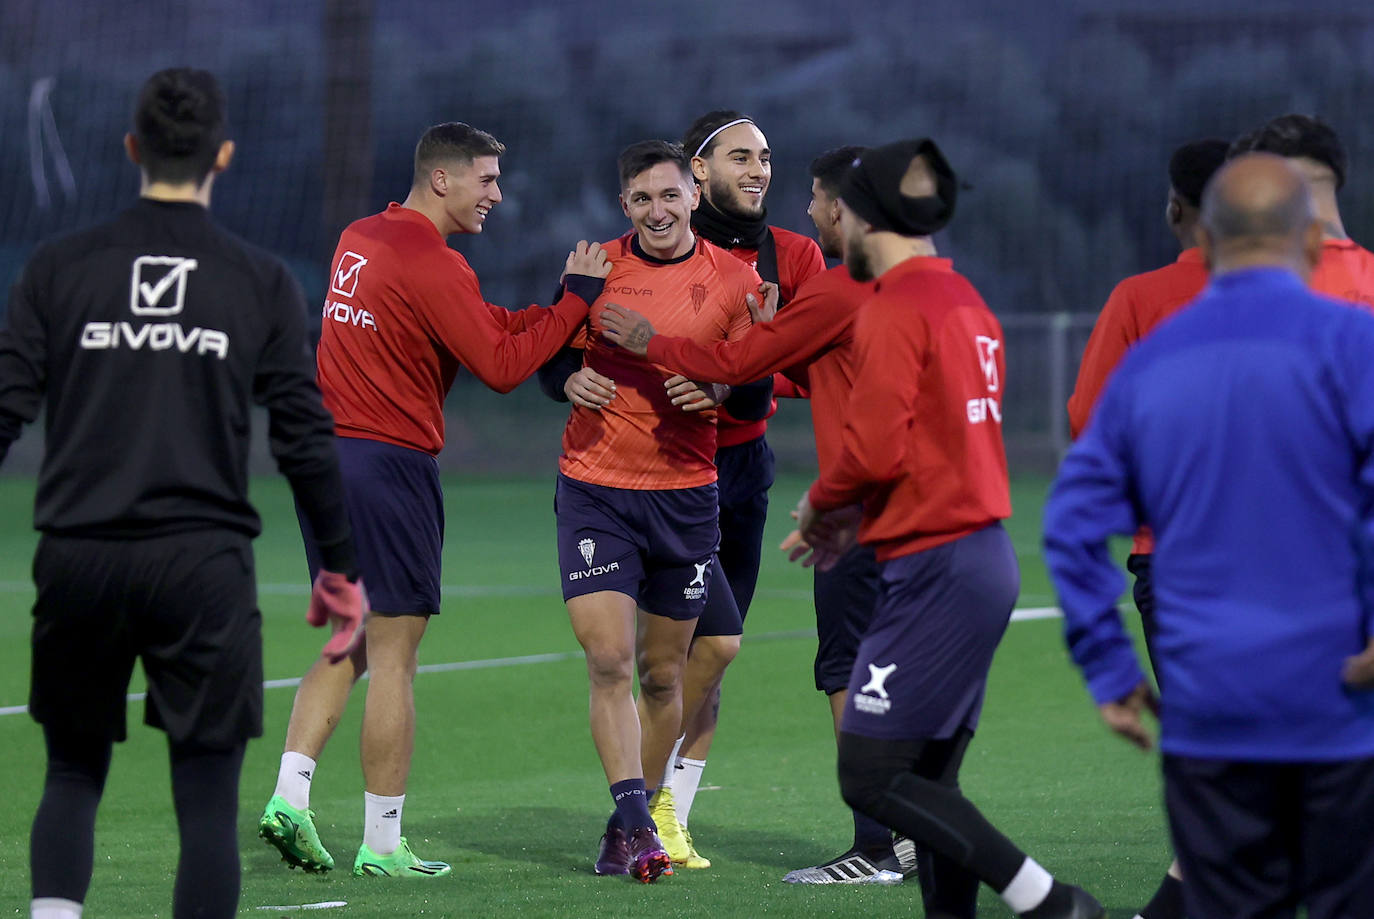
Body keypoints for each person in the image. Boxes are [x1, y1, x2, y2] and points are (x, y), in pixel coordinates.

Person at [0, 68, 366, 919]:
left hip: (79, 558)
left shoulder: (58, 268)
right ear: (224, 156)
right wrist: (339, 566)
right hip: (202, 567)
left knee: (72, 770)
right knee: (204, 798)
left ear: (132, 148)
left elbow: (4, 407)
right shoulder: (259, 278)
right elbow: (303, 435)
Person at [257, 122, 610, 879]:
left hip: (327, 460)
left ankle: (290, 797)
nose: (496, 194)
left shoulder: (363, 236)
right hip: (389, 464)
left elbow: (478, 329)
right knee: (395, 657)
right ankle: (383, 843)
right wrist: (579, 302)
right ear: (442, 179)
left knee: (345, 637)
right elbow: (505, 364)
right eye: (485, 179)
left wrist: (556, 309)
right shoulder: (435, 263)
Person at [1044, 152, 1374, 919]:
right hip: (1339, 690)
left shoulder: (1155, 359)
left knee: (1226, 896)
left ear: (1207, 240)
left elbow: (1071, 520)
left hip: (1213, 690)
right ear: (1317, 243)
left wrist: (1109, 665)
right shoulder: (1356, 345)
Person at [793, 138, 1104, 919]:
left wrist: (821, 504)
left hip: (937, 567)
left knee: (869, 776)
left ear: (862, 214)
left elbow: (871, 447)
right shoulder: (966, 300)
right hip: (976, 556)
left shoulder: (897, 306)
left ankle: (1050, 901)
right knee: (930, 780)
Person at [603, 144, 919, 884]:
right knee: (902, 670)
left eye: (814, 195)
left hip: (857, 512)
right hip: (939, 518)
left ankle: (877, 841)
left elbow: (747, 364)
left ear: (842, 209)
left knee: (844, 665)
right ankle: (914, 831)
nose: (806, 209)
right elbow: (803, 370)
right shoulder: (934, 290)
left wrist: (657, 344)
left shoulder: (838, 290)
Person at [553, 140, 760, 882]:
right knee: (608, 659)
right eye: (641, 199)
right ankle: (642, 825)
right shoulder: (594, 268)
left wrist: (716, 392)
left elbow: (755, 388)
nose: (657, 211)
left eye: (668, 196)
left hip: (684, 495)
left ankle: (621, 824)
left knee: (663, 675)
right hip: (596, 488)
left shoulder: (735, 281)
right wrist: (565, 385)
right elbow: (552, 352)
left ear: (692, 196)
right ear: (624, 207)